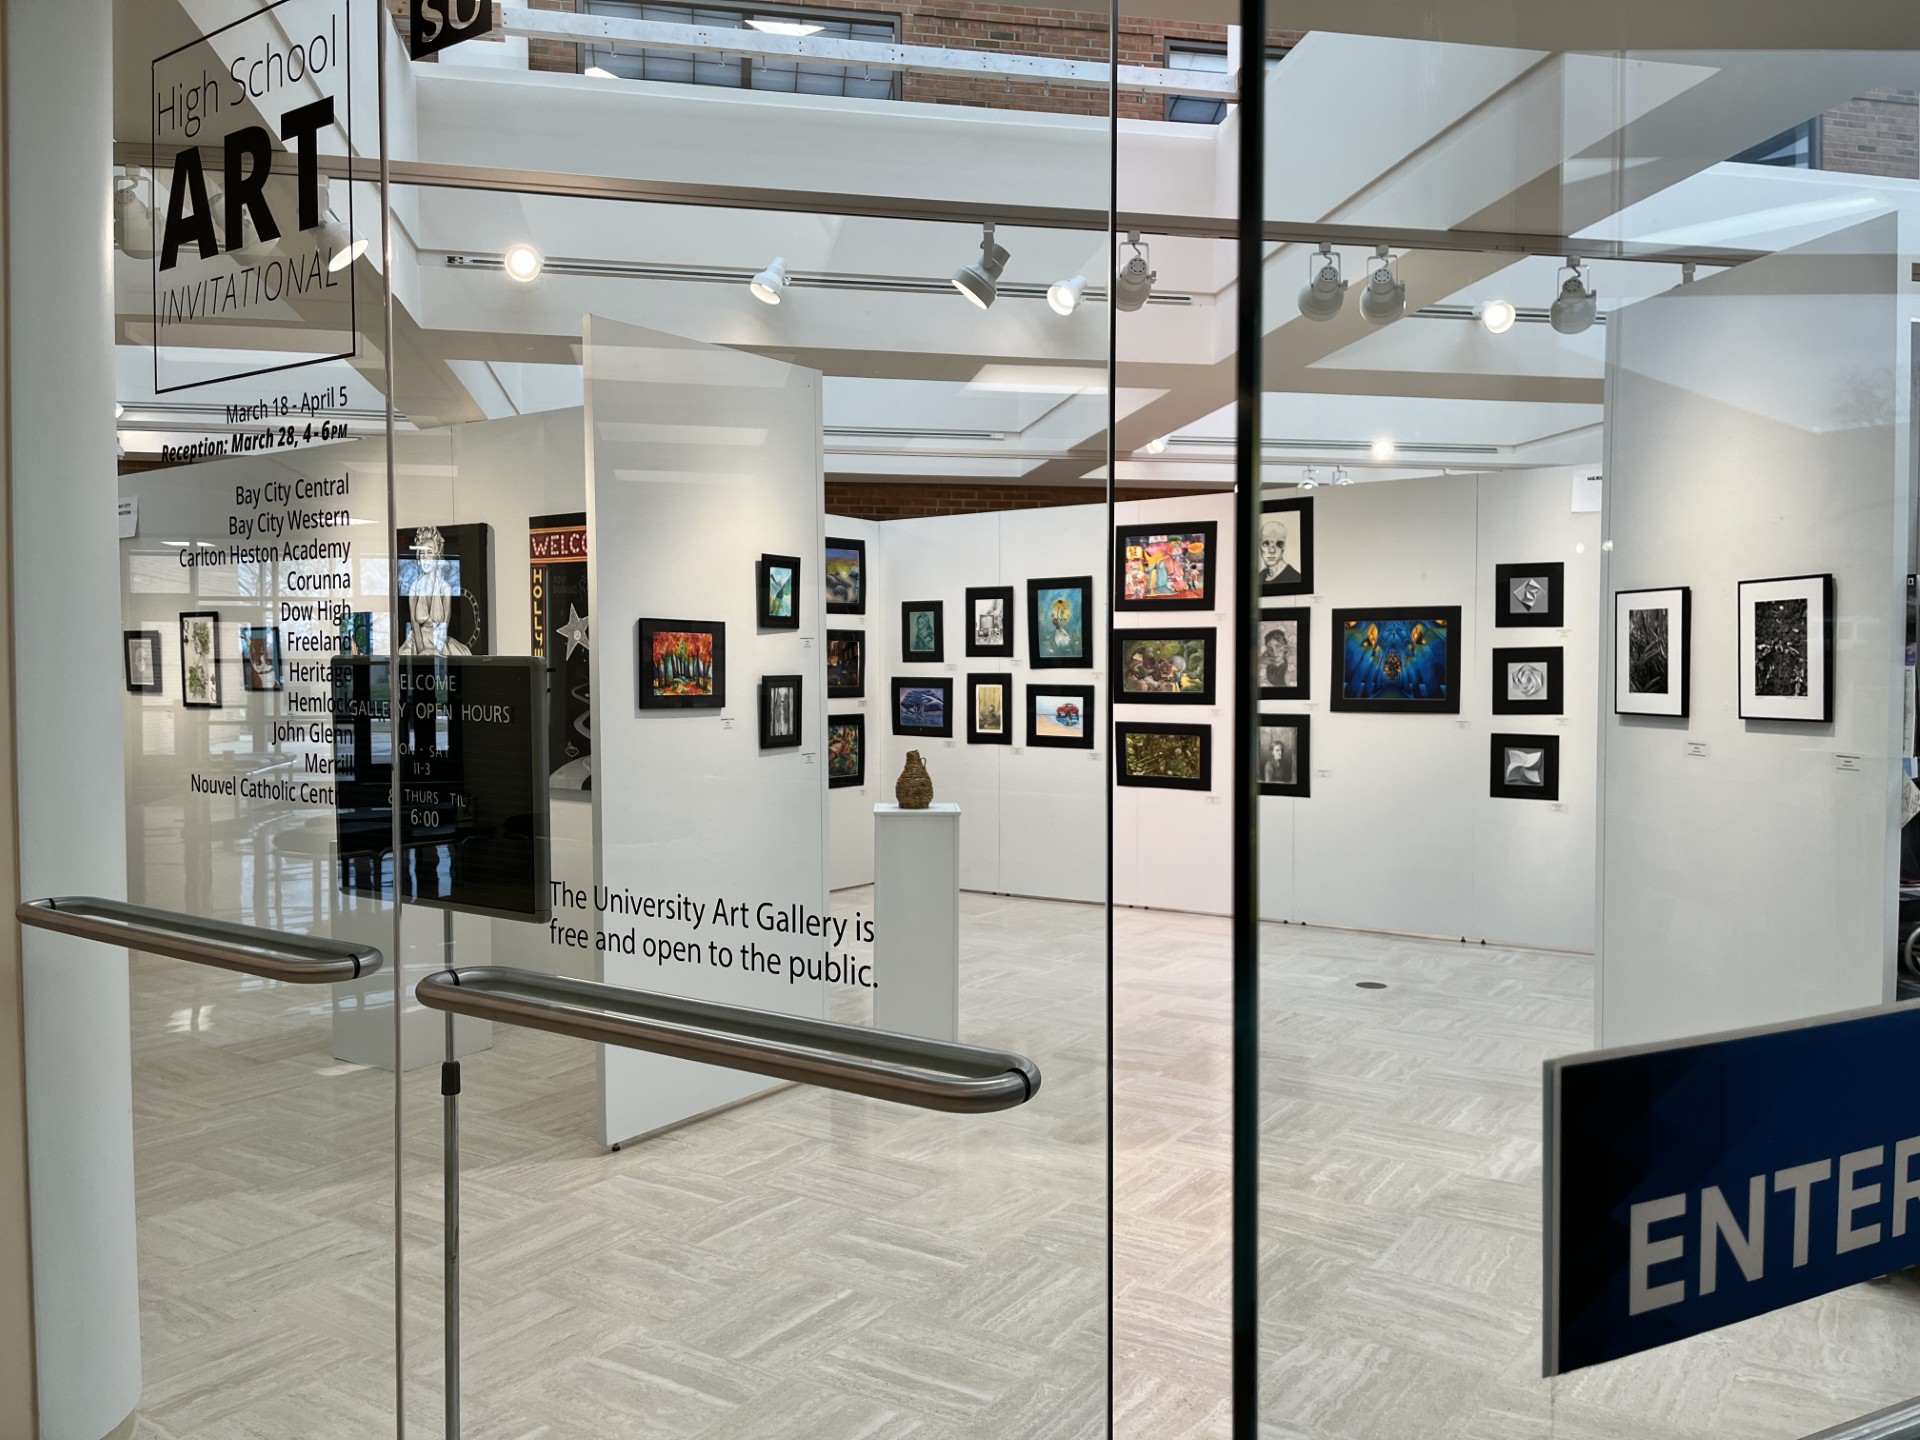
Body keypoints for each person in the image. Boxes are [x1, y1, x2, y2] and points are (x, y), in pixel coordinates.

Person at [1260, 517, 1302, 587]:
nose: (1272, 551)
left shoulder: (1295, 578)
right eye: (1266, 543)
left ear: (1284, 546)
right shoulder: (1257, 579)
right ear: (1259, 546)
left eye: (1278, 544)